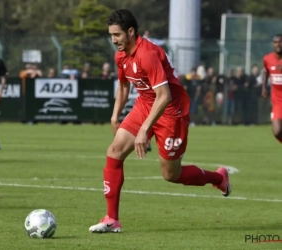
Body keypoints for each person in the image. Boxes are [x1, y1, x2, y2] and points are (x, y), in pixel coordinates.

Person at [89, 9, 232, 233]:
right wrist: (115, 115)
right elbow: (125, 86)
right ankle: (111, 218)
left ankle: (218, 177)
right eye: (111, 35)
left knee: (171, 175)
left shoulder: (147, 54)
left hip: (171, 112)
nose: (114, 40)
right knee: (114, 151)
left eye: (117, 35)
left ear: (131, 31)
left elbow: (164, 96)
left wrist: (144, 130)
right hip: (145, 105)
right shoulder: (121, 55)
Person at [262, 34, 282, 141]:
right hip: (278, 102)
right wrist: (264, 87)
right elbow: (266, 71)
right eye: (275, 42)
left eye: (280, 42)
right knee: (277, 131)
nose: (278, 44)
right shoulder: (267, 58)